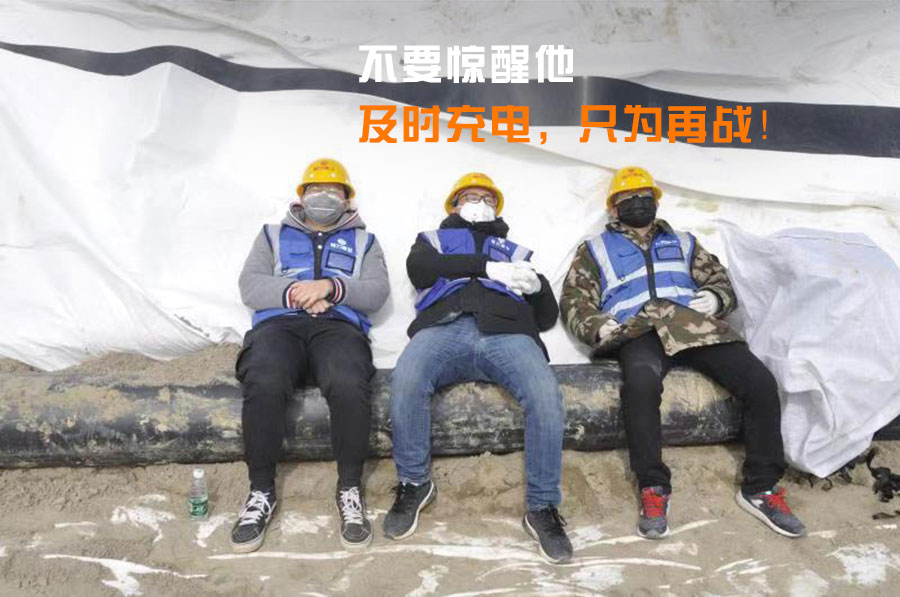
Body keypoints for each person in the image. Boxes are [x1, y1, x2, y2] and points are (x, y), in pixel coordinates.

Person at [560, 166, 806, 539]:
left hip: (692, 324)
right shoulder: (595, 249)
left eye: (645, 196)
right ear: (613, 208)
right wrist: (596, 326)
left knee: (758, 381)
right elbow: (575, 297)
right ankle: (653, 486)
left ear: (656, 202)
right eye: (628, 198)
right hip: (640, 329)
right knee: (640, 385)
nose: (638, 202)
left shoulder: (684, 242)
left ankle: (761, 487)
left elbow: (719, 279)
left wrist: (717, 298)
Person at [382, 172, 573, 564]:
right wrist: (487, 267)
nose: (479, 204)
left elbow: (546, 317)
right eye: (470, 197)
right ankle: (414, 483)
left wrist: (538, 287)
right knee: (407, 379)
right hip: (444, 327)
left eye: (487, 199)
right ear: (454, 205)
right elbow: (420, 270)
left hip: (507, 333)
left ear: (496, 208)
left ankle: (542, 506)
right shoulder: (432, 240)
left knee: (545, 395)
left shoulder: (516, 252)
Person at [231, 158, 389, 552]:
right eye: (316, 189)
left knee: (349, 382)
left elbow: (376, 291)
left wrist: (330, 288)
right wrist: (297, 294)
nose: (324, 196)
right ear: (301, 197)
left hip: (337, 326)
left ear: (347, 200)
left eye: (334, 190)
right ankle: (261, 491)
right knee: (264, 379)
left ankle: (349, 489)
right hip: (279, 325)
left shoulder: (365, 242)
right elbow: (250, 285)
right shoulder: (271, 235)